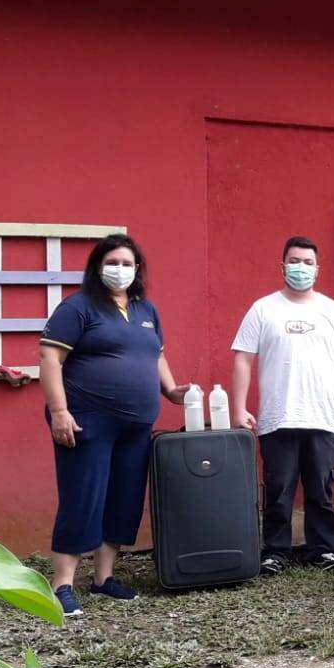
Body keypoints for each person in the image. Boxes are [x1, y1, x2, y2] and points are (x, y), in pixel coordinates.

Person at [40, 233, 191, 616]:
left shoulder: (145, 310)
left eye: (127, 263)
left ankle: (103, 578)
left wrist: (171, 390)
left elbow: (156, 355)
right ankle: (61, 584)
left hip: (135, 426)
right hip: (85, 421)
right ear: (97, 267)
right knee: (83, 496)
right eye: (113, 263)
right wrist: (59, 412)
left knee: (124, 498)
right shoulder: (77, 308)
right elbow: (50, 359)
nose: (120, 270)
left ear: (137, 269)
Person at [231, 236, 334, 575]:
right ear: (282, 266)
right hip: (278, 416)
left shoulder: (332, 311)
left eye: (307, 262)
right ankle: (276, 552)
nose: (300, 268)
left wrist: (327, 373)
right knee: (278, 489)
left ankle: (323, 550)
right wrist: (238, 407)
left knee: (321, 489)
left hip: (323, 417)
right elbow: (243, 358)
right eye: (294, 261)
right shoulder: (263, 309)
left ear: (317, 270)